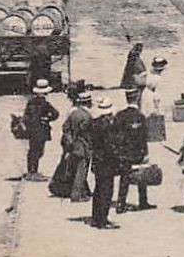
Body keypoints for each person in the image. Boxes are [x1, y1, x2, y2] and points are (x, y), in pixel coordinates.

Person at [113, 90, 153, 213]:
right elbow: (143, 137)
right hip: (137, 152)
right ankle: (143, 201)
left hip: (123, 152)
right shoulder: (140, 116)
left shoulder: (119, 115)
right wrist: (146, 152)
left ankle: (120, 203)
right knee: (142, 175)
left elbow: (114, 134)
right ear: (137, 98)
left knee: (124, 178)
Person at [50, 90, 94, 202]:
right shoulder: (87, 117)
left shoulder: (73, 114)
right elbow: (88, 134)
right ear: (88, 103)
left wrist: (69, 144)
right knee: (81, 171)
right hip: (83, 147)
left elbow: (65, 128)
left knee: (74, 169)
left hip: (72, 146)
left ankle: (83, 191)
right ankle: (77, 195)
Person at [85, 96, 119, 228]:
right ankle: (102, 220)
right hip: (107, 162)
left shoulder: (95, 124)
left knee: (98, 190)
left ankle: (96, 218)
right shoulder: (107, 127)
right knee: (106, 191)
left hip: (97, 161)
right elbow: (111, 146)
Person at [21, 79, 60, 181]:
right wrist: (47, 118)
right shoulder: (45, 103)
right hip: (41, 129)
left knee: (32, 150)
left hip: (32, 130)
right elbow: (56, 114)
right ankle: (33, 172)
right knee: (38, 151)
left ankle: (31, 171)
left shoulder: (31, 102)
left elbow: (26, 116)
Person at [143, 55, 168, 142]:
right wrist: (157, 106)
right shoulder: (157, 78)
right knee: (154, 113)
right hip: (152, 95)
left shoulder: (150, 73)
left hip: (146, 94)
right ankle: (155, 134)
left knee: (147, 112)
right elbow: (156, 94)